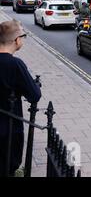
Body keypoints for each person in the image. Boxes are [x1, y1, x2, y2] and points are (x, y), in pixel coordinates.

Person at [0, 20, 41, 177]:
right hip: (9, 129)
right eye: (23, 37)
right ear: (17, 40)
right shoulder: (15, 64)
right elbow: (34, 95)